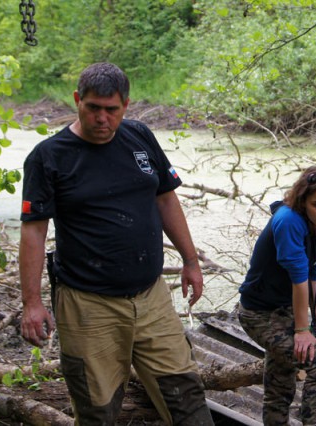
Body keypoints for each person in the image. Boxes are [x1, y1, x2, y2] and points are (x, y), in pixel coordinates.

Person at [18, 62, 214, 425]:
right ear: (78, 101)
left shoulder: (139, 137)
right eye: (93, 107)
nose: (102, 119)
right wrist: (32, 302)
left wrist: (190, 260)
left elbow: (166, 199)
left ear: (126, 105)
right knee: (97, 410)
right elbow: (34, 231)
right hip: (87, 304)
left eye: (112, 110)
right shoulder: (49, 157)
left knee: (186, 399)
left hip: (151, 296)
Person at [237, 165, 316, 425]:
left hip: (285, 308)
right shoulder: (289, 221)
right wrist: (302, 330)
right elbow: (299, 279)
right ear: (303, 201)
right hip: (259, 313)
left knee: (281, 378)